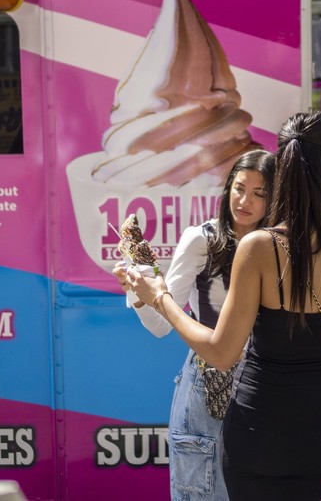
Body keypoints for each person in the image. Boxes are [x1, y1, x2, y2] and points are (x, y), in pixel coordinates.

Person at [118, 112, 321, 501]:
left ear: (282, 169)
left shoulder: (260, 247)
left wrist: (160, 297)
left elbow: (223, 353)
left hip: (261, 425)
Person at [124, 149, 275, 501]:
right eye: (239, 188)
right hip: (208, 385)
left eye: (259, 193)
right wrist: (141, 292)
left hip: (268, 385)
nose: (245, 200)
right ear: (227, 190)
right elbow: (162, 324)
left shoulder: (281, 245)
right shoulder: (202, 240)